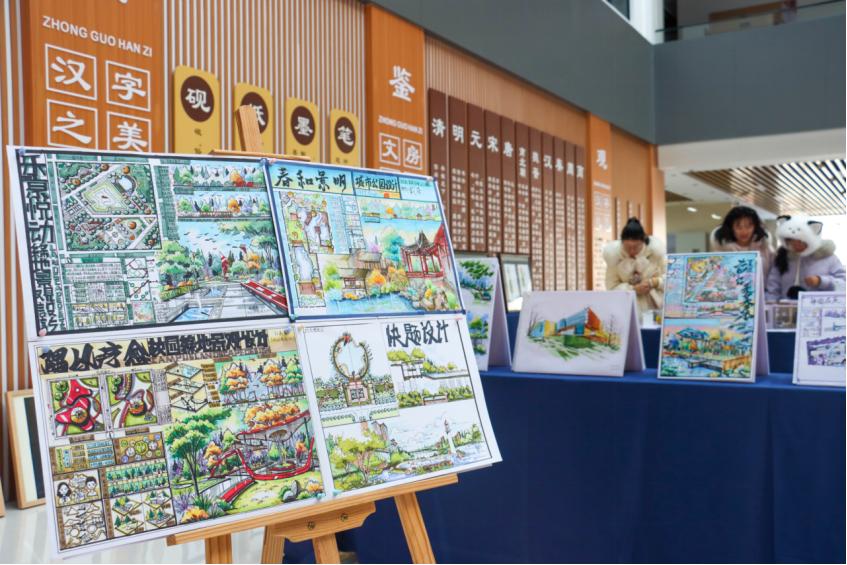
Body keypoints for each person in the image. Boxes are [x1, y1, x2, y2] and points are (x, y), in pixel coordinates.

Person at [766, 215, 845, 301]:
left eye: (800, 241)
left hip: (819, 306)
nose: (795, 245)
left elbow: (843, 283)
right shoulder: (783, 257)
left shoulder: (828, 257)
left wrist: (820, 281)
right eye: (790, 240)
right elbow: (773, 286)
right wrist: (771, 304)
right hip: (786, 307)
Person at [603, 218, 665, 314]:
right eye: (628, 248)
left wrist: (655, 282)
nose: (631, 251)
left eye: (636, 247)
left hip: (656, 308)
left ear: (643, 242)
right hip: (627, 310)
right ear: (622, 243)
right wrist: (633, 289)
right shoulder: (614, 258)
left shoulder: (656, 254)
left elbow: (672, 280)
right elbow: (611, 288)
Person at [710, 205, 775, 279]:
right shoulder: (722, 250)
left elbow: (774, 275)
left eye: (748, 226)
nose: (744, 231)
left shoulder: (765, 247)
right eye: (738, 226)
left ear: (755, 227)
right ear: (731, 227)